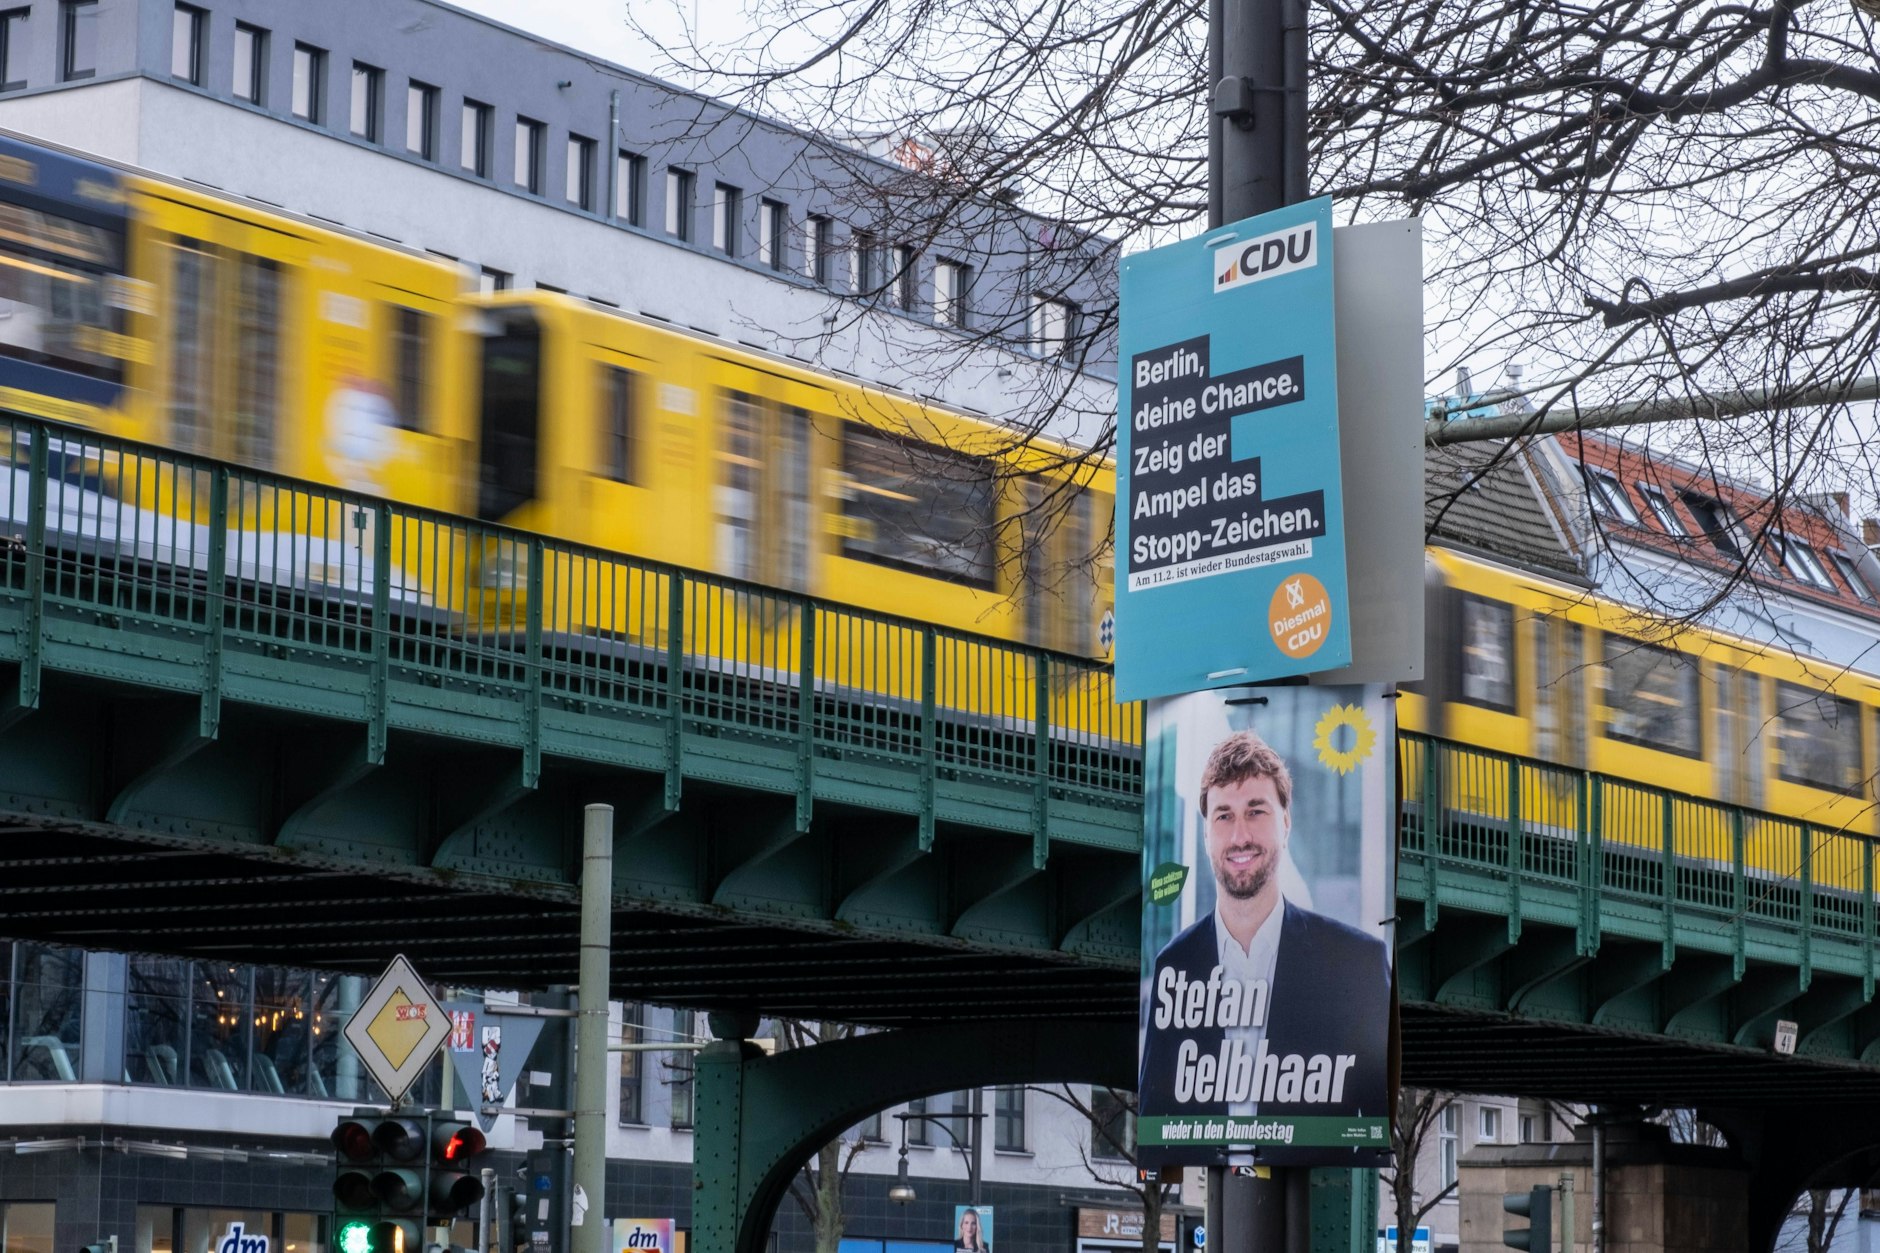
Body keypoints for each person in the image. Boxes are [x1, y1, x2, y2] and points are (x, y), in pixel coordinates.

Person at [1137, 729, 1389, 1122]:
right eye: (1224, 816)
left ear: (1286, 824)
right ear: (1206, 835)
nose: (1240, 836)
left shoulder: (1357, 963)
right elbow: (1157, 1119)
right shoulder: (1175, 965)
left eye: (1256, 811)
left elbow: (1373, 1122)